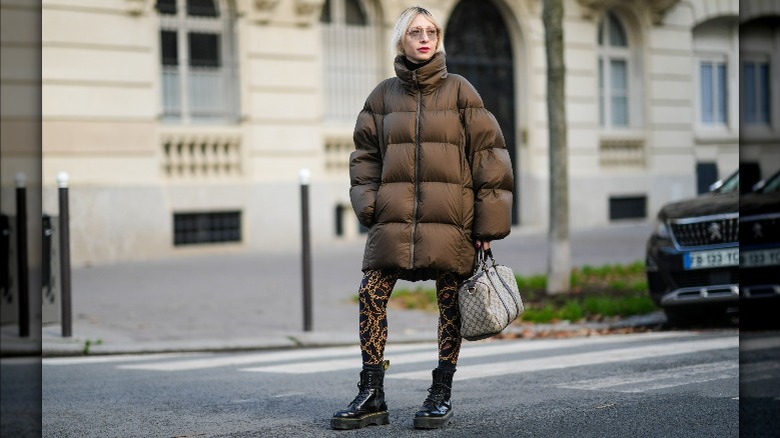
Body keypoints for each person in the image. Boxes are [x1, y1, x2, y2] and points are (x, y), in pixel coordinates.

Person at [330, 5, 513, 430]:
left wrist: (487, 227)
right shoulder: (381, 97)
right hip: (393, 220)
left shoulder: (461, 92)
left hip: (451, 220)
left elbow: (490, 160)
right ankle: (372, 393)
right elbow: (364, 157)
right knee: (371, 294)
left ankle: (441, 392)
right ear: (402, 39)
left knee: (451, 303)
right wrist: (369, 206)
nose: (424, 38)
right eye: (415, 32)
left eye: (431, 31)